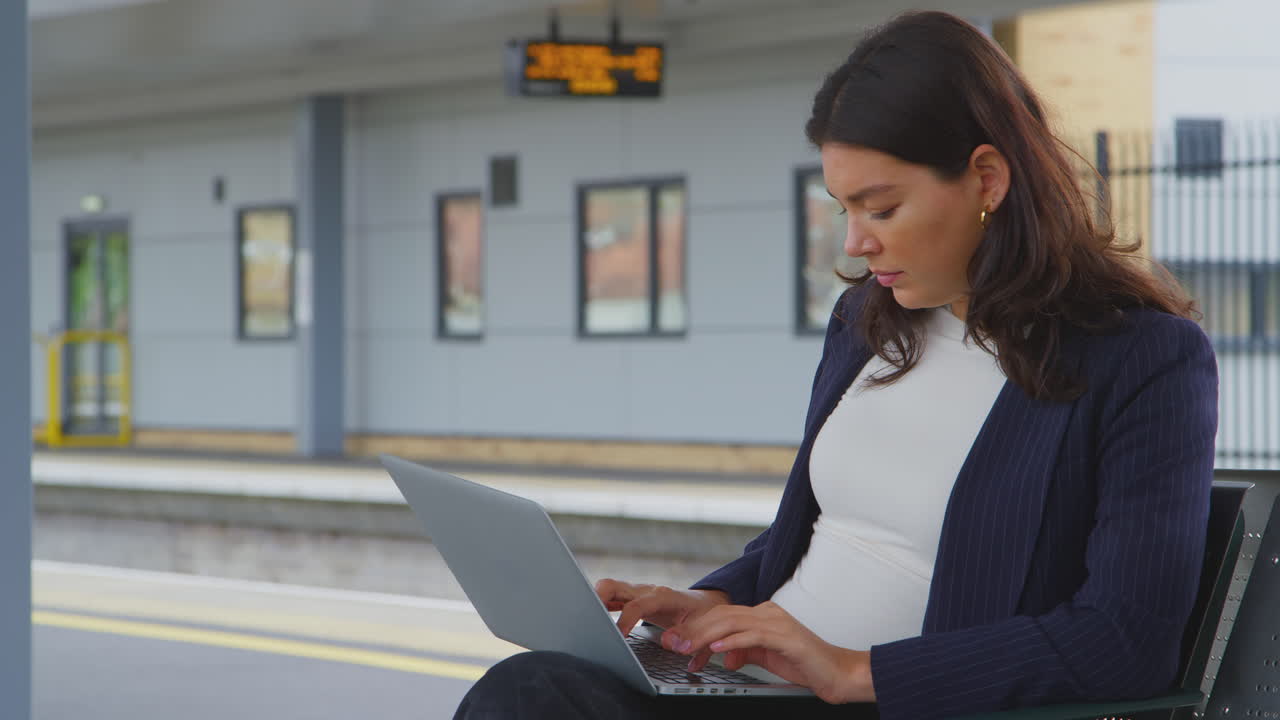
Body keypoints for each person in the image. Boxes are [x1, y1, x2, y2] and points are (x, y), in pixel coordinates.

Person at [455, 10, 1218, 720]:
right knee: (536, 685)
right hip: (756, 688)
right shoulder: (867, 325)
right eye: (843, 209)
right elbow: (816, 541)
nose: (855, 243)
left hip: (878, 700)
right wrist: (709, 601)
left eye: (881, 209)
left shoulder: (1141, 361)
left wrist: (856, 672)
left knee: (530, 699)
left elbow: (1124, 640)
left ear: (987, 181)